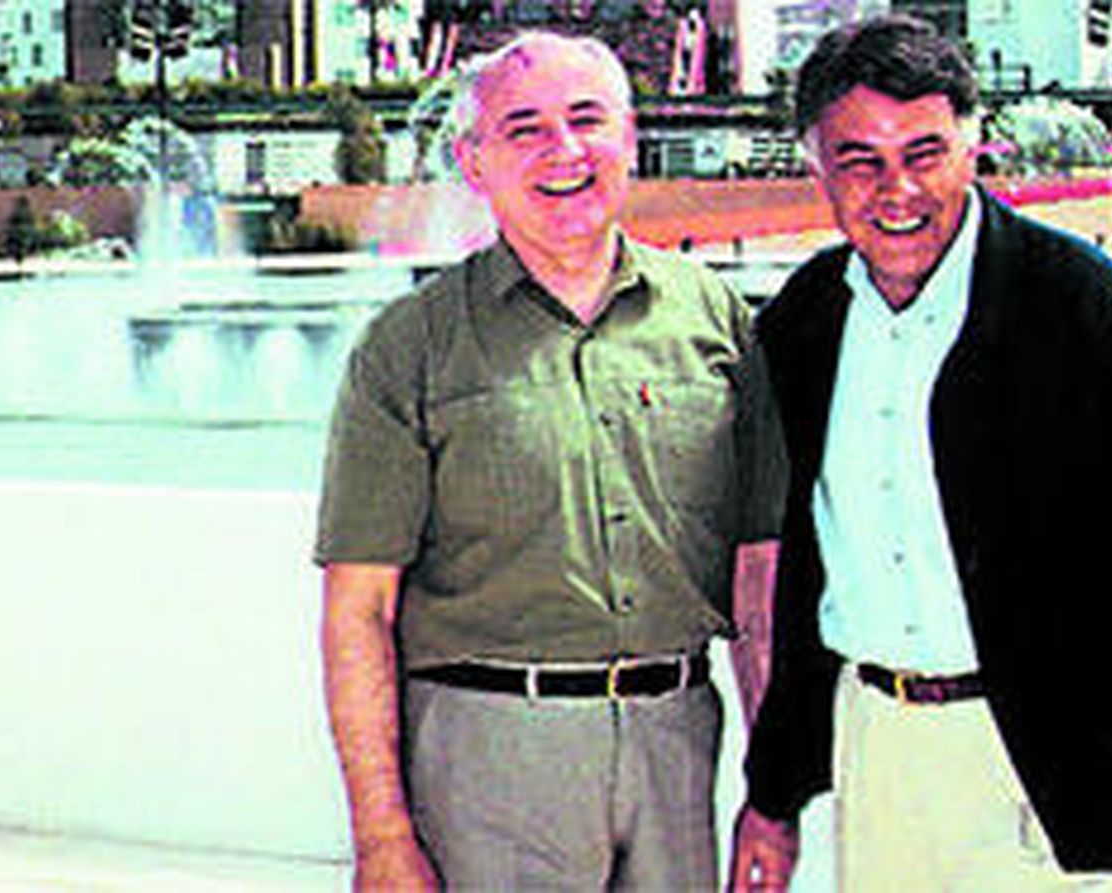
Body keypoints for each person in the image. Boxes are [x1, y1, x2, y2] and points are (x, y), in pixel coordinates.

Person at [729, 15, 1112, 892]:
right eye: (860, 160)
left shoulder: (1081, 307)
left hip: (1049, 764)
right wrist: (773, 794)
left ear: (973, 146)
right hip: (878, 754)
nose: (898, 190)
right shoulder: (804, 323)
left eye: (926, 152)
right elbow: (802, 583)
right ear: (815, 164)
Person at [313, 31, 785, 891]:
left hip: (677, 744)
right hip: (487, 751)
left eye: (587, 119)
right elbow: (359, 611)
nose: (563, 150)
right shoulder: (409, 348)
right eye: (524, 128)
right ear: (474, 162)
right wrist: (381, 833)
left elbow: (761, 580)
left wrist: (772, 793)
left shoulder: (716, 320)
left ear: (630, 139)